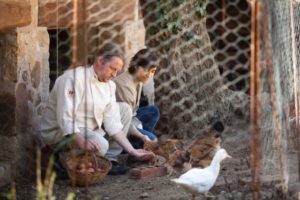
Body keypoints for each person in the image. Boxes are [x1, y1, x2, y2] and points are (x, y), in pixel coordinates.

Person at [39, 43, 153, 176]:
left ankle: (110, 159)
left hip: (90, 130)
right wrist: (81, 140)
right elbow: (65, 118)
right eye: (112, 69)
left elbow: (113, 124)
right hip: (60, 132)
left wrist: (133, 151)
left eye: (117, 71)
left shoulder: (110, 86)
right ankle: (61, 159)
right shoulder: (72, 78)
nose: (114, 75)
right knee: (102, 145)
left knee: (124, 109)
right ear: (100, 61)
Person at [113, 49, 160, 147]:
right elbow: (125, 121)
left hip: (131, 118)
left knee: (153, 111)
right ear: (135, 65)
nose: (150, 75)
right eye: (146, 70)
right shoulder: (125, 86)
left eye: (153, 71)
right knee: (152, 140)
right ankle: (132, 149)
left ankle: (139, 145)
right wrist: (142, 136)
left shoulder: (138, 80)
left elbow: (133, 112)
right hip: (119, 126)